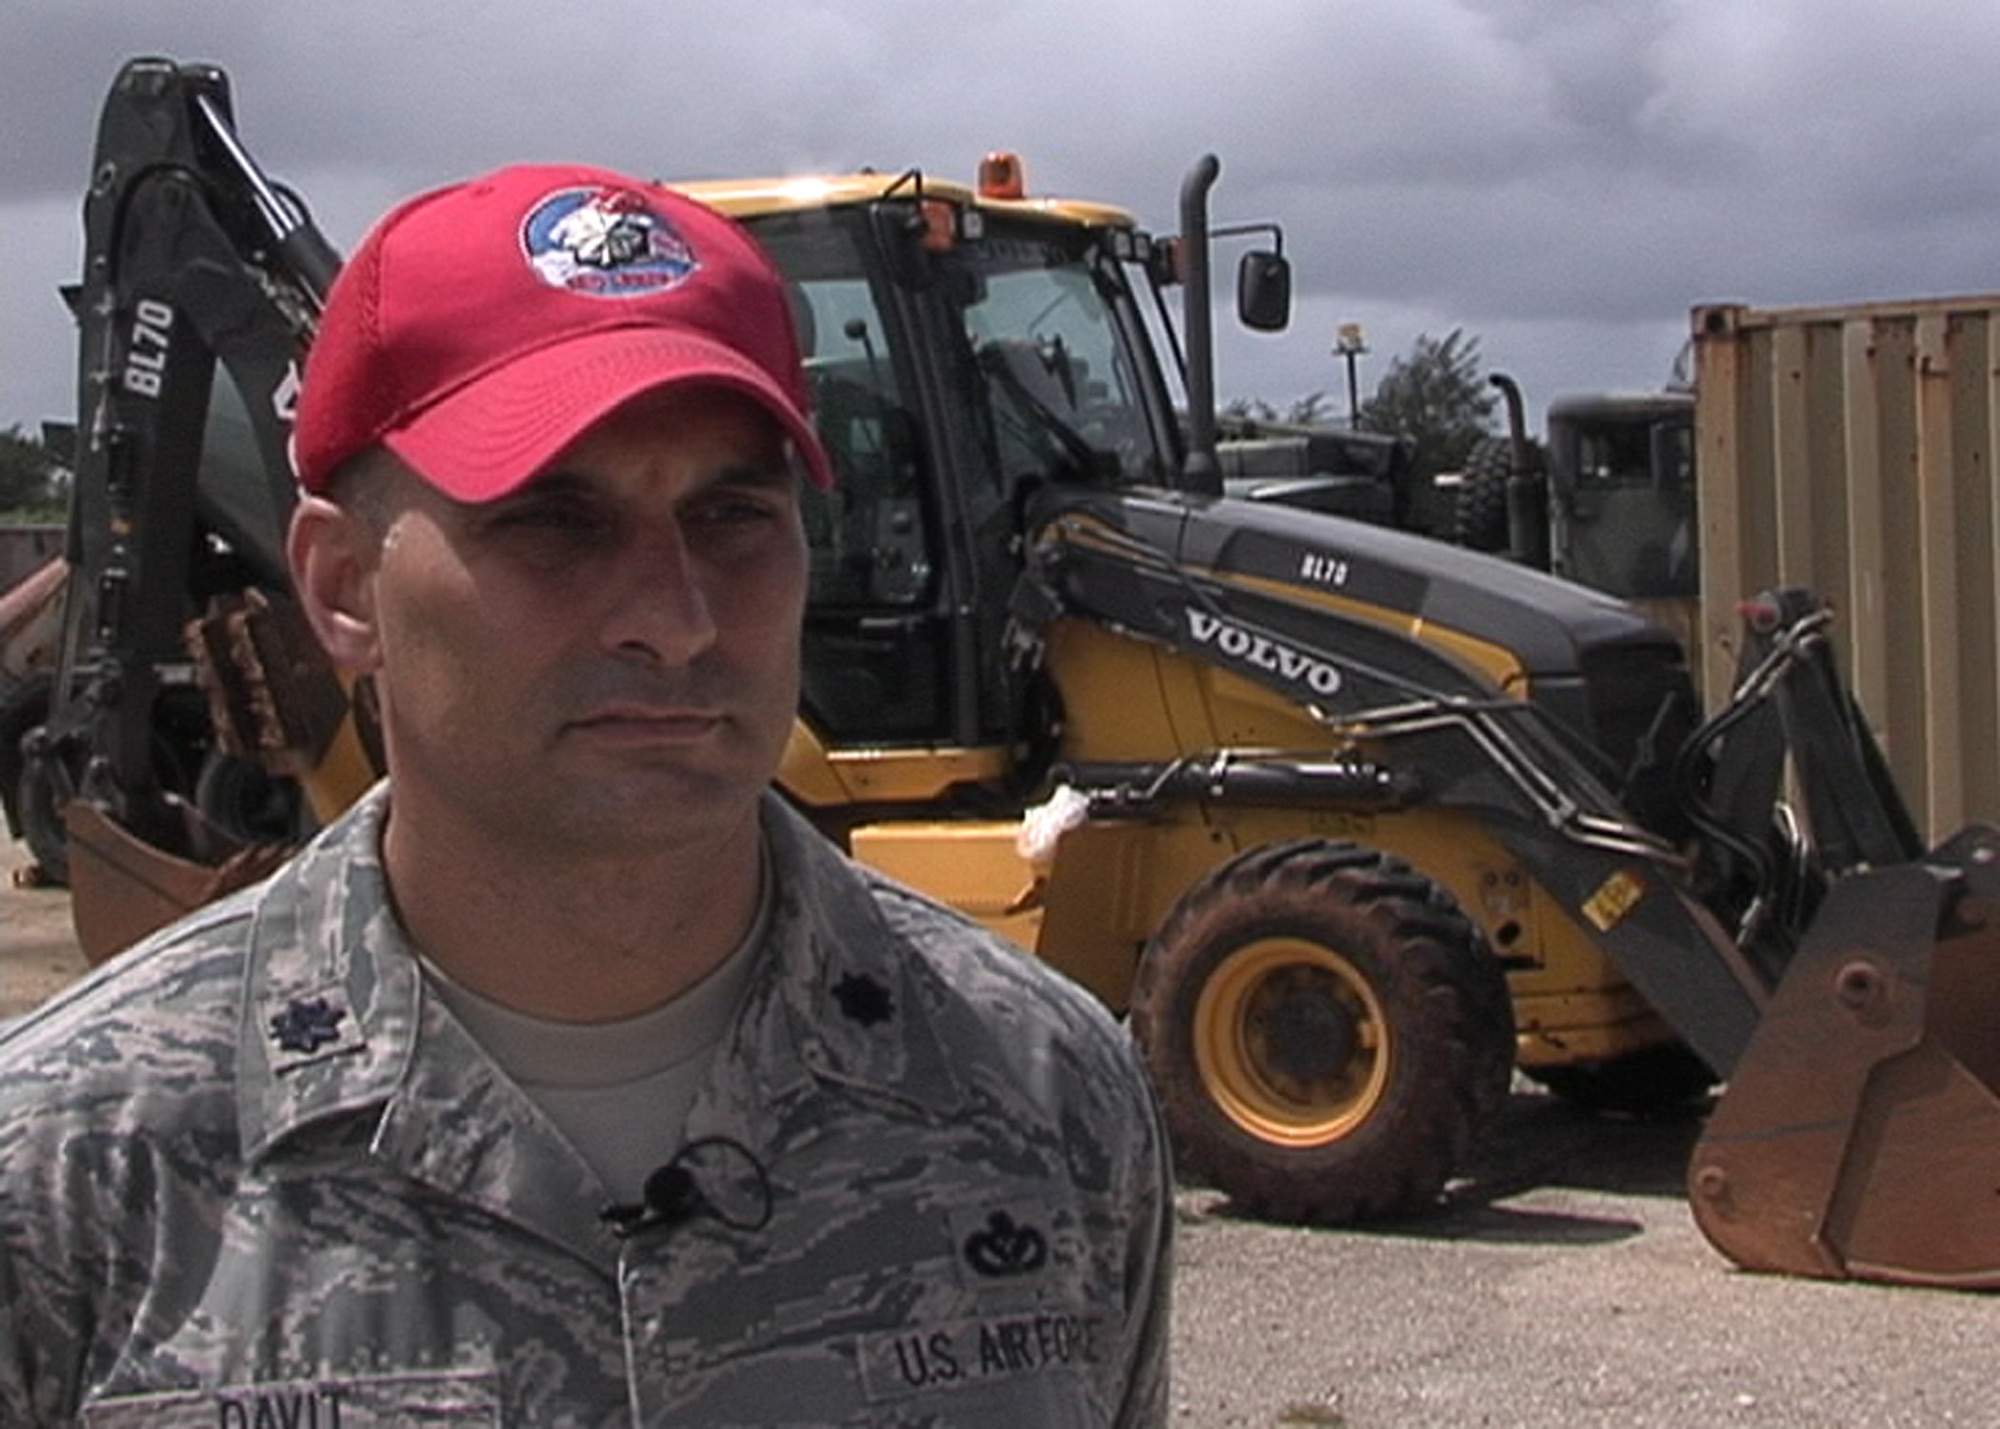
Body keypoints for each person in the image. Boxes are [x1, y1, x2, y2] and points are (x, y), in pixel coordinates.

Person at [0, 163, 1172, 1425]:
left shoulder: (1045, 1098)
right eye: (551, 522)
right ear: (342, 586)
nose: (674, 617)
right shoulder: (74, 1171)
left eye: (733, 514)